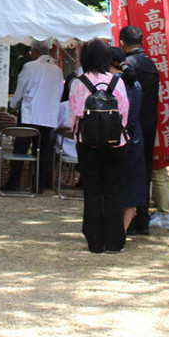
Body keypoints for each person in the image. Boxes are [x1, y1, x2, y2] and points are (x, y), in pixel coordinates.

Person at [69, 38, 130, 254]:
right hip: (116, 144)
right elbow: (124, 114)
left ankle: (94, 241)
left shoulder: (78, 83)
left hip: (88, 143)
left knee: (92, 191)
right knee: (113, 191)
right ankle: (114, 241)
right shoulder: (117, 82)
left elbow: (74, 116)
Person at [5, 41, 63, 193]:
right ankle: (39, 184)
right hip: (48, 116)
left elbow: (21, 88)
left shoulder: (30, 67)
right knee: (43, 151)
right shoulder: (57, 70)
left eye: (31, 51)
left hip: (29, 114)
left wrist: (14, 104)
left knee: (21, 148)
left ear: (36, 52)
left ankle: (14, 182)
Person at [119, 25, 160, 235]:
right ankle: (143, 218)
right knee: (145, 172)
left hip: (132, 126)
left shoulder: (127, 66)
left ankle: (130, 220)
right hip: (149, 124)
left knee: (129, 173)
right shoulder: (151, 64)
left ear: (122, 43)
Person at [112, 47, 147, 234]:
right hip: (135, 139)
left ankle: (111, 230)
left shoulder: (113, 84)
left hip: (116, 140)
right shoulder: (136, 84)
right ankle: (122, 232)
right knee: (132, 189)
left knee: (112, 187)